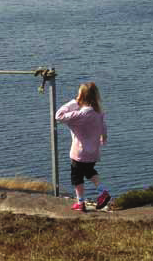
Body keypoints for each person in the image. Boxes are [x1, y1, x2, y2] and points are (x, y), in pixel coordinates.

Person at [55, 82, 110, 212]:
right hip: (93, 153)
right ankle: (103, 192)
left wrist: (74, 102)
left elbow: (59, 116)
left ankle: (80, 202)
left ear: (82, 97)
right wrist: (104, 137)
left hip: (79, 154)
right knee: (89, 172)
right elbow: (104, 127)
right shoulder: (98, 113)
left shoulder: (79, 115)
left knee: (76, 178)